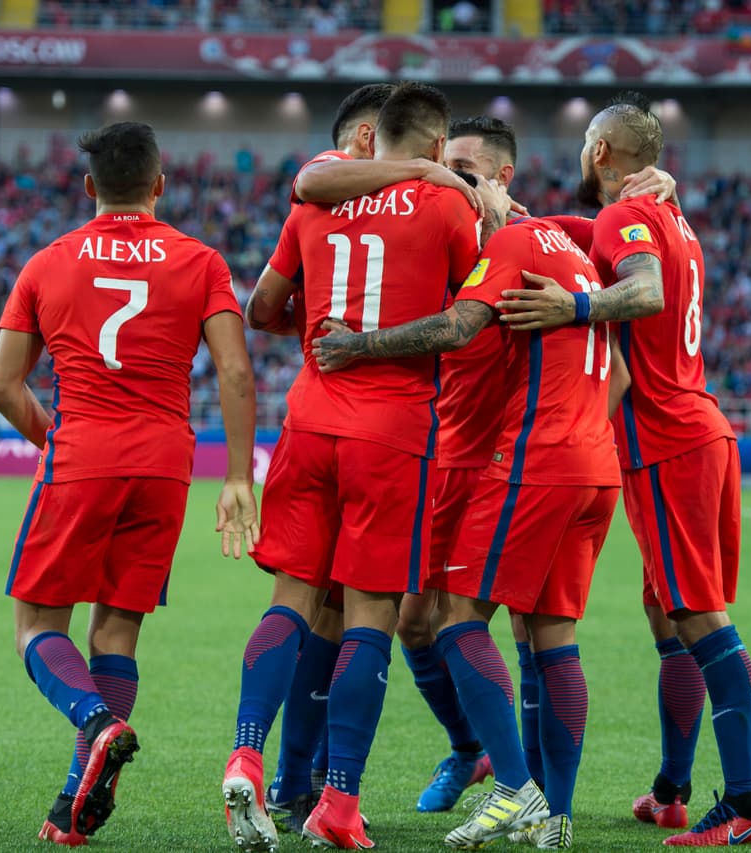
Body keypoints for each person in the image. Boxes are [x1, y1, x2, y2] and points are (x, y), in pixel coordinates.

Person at [495, 92, 751, 847]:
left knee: (699, 615)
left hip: (666, 437)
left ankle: (745, 804)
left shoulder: (627, 216)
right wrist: (494, 202)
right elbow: (555, 234)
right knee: (667, 614)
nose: (583, 158)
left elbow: (642, 293)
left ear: (603, 153)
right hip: (696, 425)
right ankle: (672, 790)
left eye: (587, 145)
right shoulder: (663, 217)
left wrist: (574, 310)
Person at [313, 210, 628, 850]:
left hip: (530, 463)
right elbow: (617, 374)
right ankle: (551, 815)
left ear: (502, 181)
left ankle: (513, 785)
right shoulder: (576, 253)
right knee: (549, 634)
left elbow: (459, 327)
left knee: (454, 615)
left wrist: (360, 344)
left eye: (467, 171)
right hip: (595, 464)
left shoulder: (513, 242)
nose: (453, 187)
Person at [222, 82, 483, 852]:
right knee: (372, 614)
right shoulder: (448, 205)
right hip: (393, 431)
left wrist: (323, 317)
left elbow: (263, 308)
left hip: (309, 418)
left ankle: (246, 749)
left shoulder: (315, 199)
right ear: (438, 147)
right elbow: (473, 312)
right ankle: (339, 802)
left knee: (292, 599)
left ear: (372, 138)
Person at [0, 121, 258, 847]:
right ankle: (74, 803)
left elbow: (1, 388)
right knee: (117, 630)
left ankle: (95, 720)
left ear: (88, 188)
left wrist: (61, 442)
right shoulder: (200, 261)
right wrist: (236, 473)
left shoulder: (48, 263)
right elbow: (234, 370)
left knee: (38, 627)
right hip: (165, 460)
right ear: (160, 184)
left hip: (82, 452)